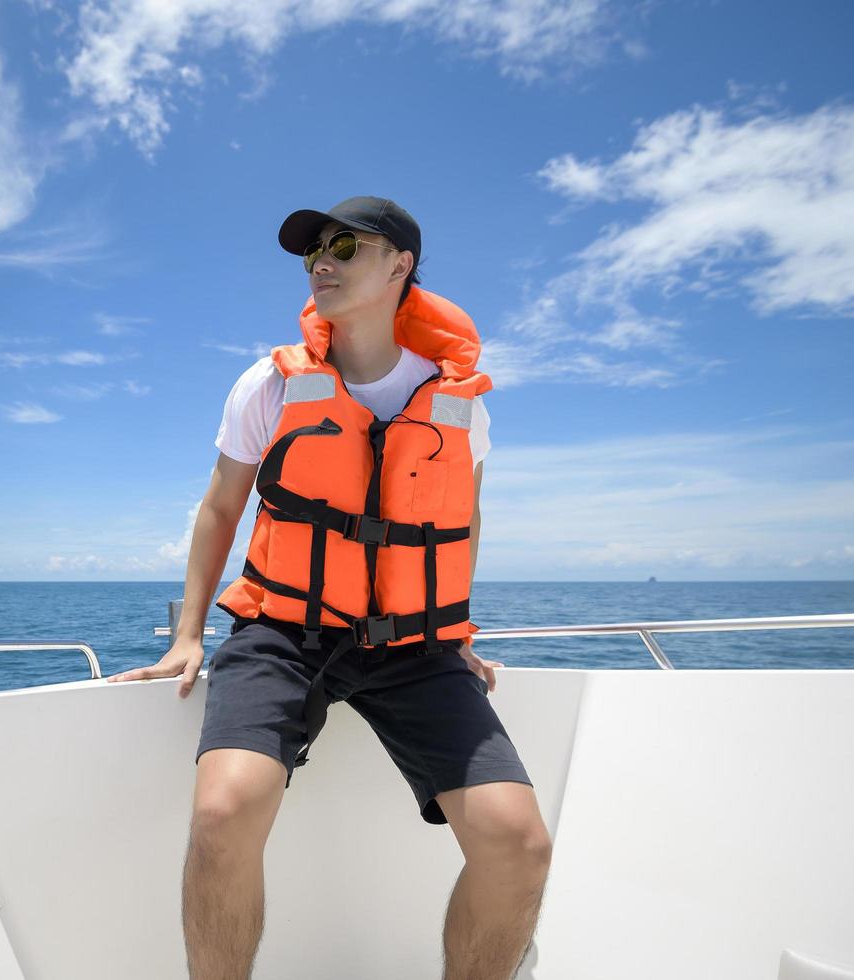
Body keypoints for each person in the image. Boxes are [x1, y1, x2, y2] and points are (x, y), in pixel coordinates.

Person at [106, 196, 552, 980]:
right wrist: (188, 635)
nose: (322, 261)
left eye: (346, 246)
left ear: (400, 266)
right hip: (283, 632)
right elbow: (219, 507)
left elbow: (460, 520)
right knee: (222, 810)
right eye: (313, 250)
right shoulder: (269, 383)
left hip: (413, 643)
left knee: (518, 842)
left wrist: (456, 629)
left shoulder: (459, 405)